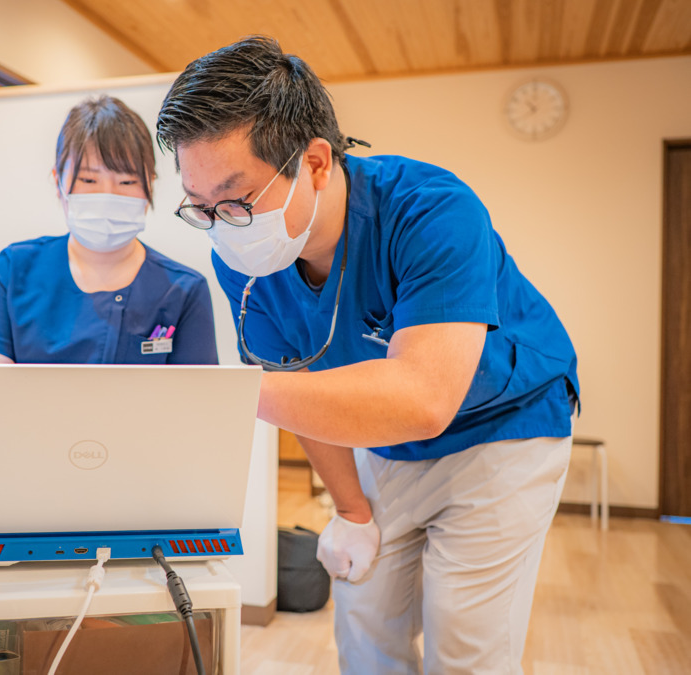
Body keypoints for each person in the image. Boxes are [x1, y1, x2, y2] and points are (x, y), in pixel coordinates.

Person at [157, 37, 578, 674]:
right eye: (201, 206)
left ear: (317, 163)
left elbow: (422, 398)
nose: (222, 224)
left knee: (463, 640)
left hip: (502, 428)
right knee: (364, 625)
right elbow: (304, 391)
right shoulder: (244, 256)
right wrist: (352, 511)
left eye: (238, 198)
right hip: (385, 443)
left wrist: (228, 393)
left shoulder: (431, 212)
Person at [0, 95, 218, 366]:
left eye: (126, 180)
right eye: (88, 179)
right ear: (58, 181)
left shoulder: (183, 290)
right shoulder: (13, 270)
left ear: (149, 184)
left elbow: (195, 402)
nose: (107, 194)